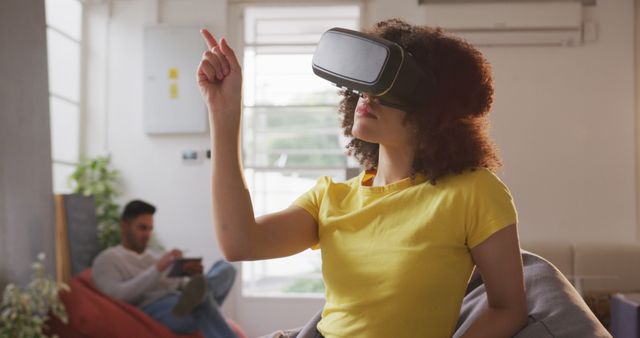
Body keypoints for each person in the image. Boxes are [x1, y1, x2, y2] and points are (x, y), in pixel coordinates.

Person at [197, 18, 528, 338]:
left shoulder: (472, 192)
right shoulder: (331, 198)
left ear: (434, 109)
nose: (368, 97)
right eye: (366, 84)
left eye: (388, 89)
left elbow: (508, 308)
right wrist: (223, 113)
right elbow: (240, 243)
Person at [92, 200, 238, 338]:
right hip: (157, 308)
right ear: (124, 226)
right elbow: (118, 295)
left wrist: (189, 274)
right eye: (142, 228)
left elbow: (181, 286)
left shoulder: (155, 256)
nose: (147, 234)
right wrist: (157, 269)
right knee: (202, 299)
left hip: (180, 300)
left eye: (150, 229)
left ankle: (198, 298)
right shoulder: (107, 259)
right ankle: (198, 299)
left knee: (226, 268)